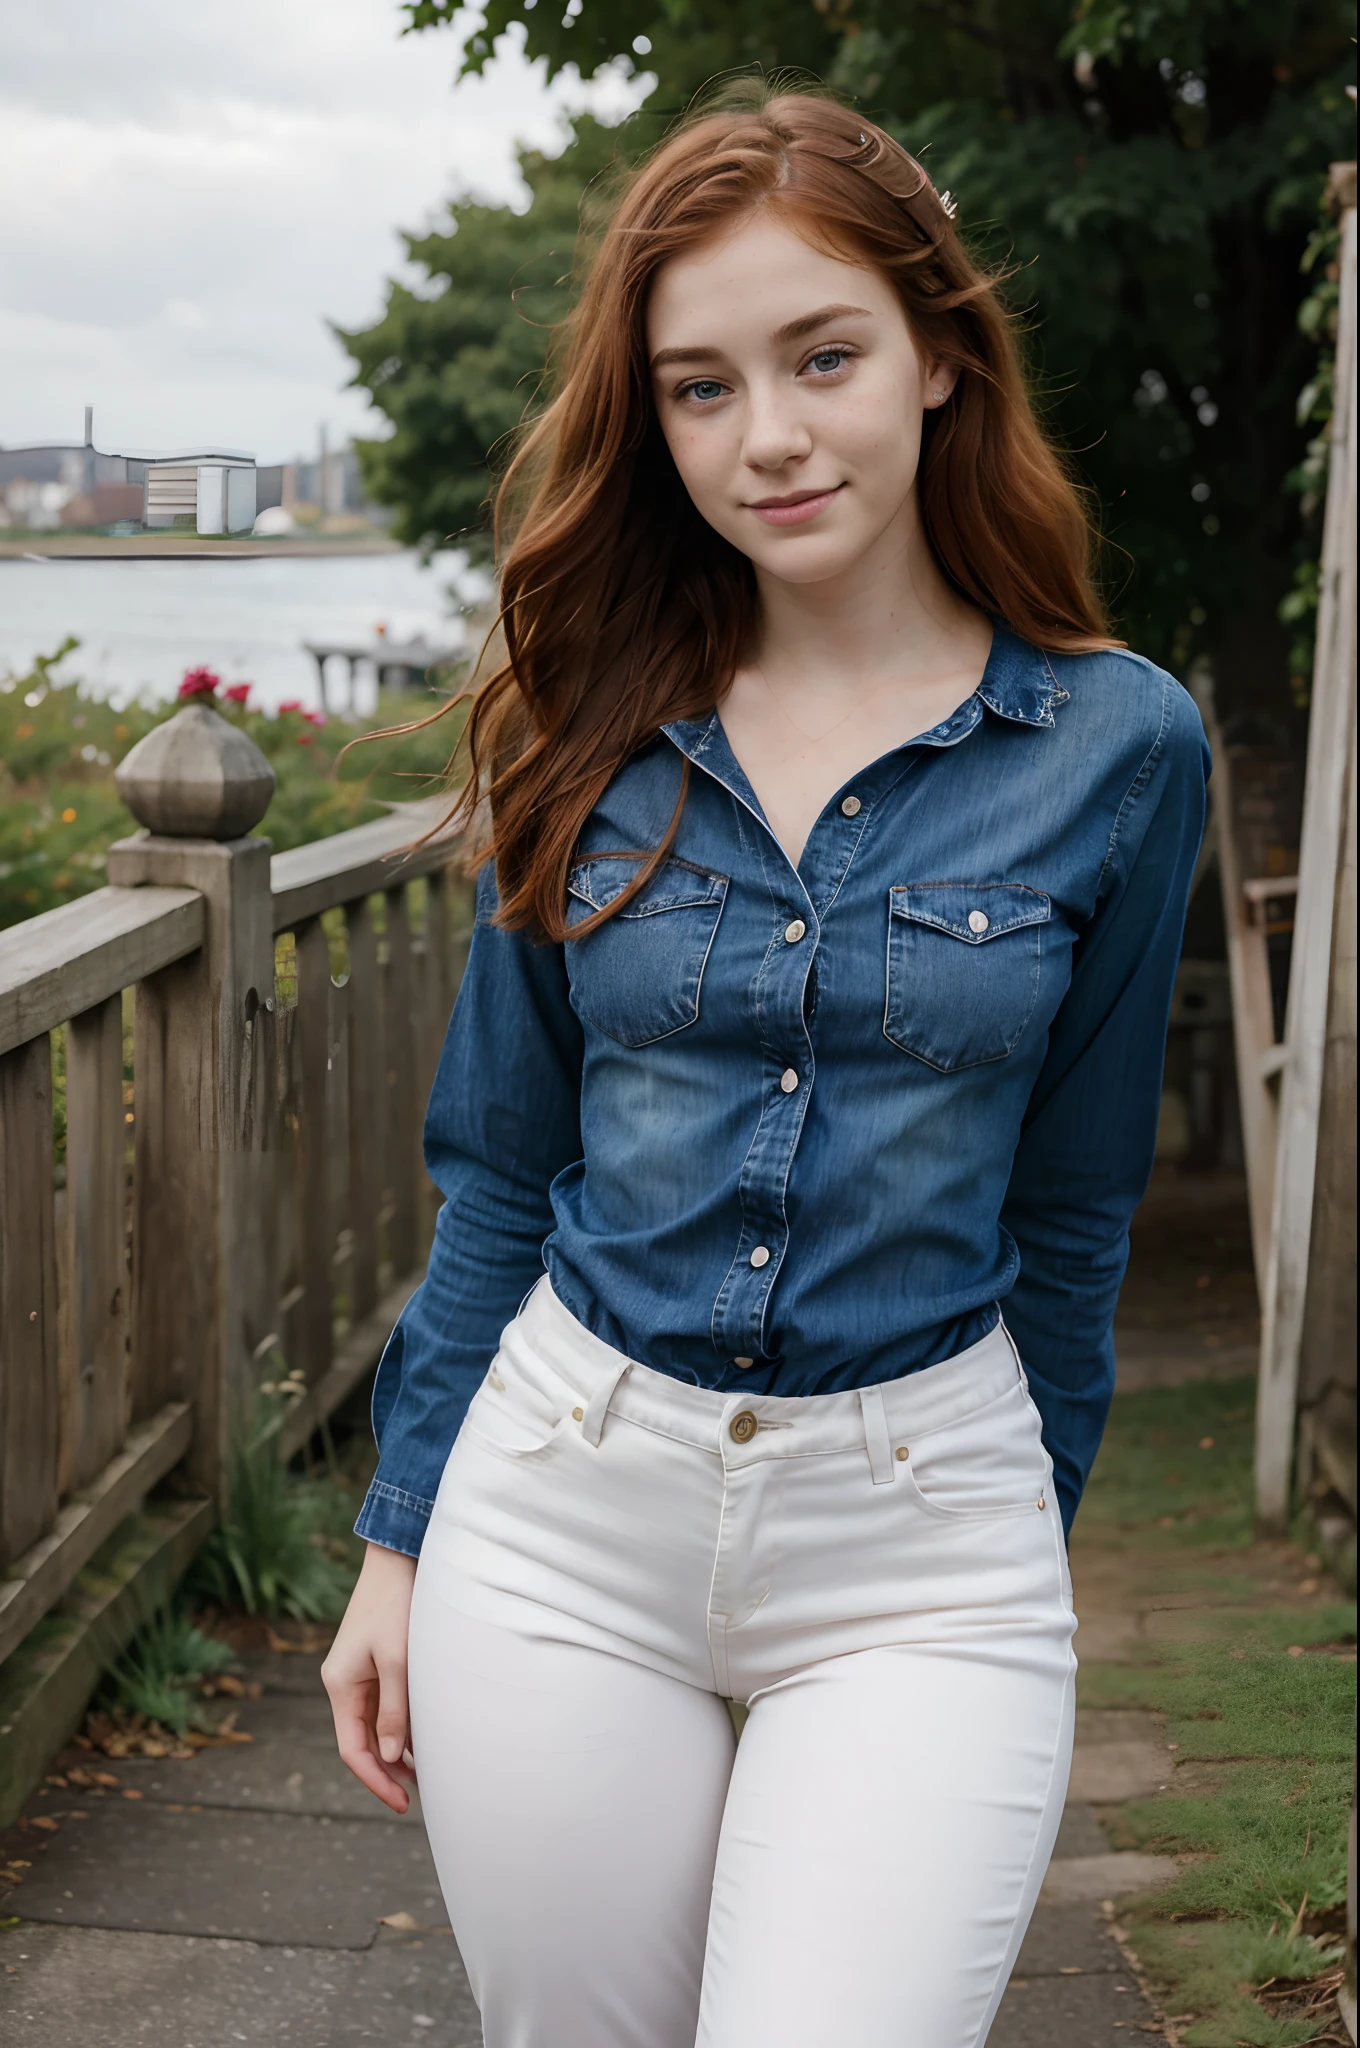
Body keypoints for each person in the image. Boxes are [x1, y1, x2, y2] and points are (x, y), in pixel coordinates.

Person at [322, 88, 1208, 2047]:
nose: (768, 435)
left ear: (938, 358)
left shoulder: (1115, 747)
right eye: (698, 387)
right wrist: (399, 1537)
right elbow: (499, 1162)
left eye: (820, 356)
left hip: (918, 1543)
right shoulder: (588, 719)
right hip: (558, 1515)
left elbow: (1070, 1208)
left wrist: (1012, 1531)